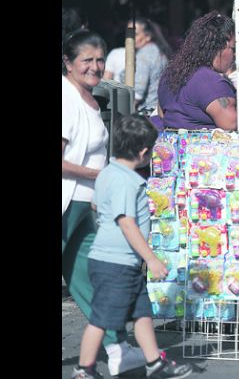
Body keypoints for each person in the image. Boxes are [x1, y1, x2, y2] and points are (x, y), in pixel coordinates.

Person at [72, 115, 194, 379]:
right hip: (114, 264)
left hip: (120, 263)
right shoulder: (128, 181)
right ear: (143, 152)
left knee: (142, 312)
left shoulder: (107, 173)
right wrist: (150, 259)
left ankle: (154, 363)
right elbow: (126, 223)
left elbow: (96, 204)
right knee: (101, 319)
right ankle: (84, 369)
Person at [63, 29, 147, 376]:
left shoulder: (89, 99)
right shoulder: (67, 100)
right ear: (68, 63)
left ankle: (116, 346)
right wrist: (101, 176)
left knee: (92, 279)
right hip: (67, 203)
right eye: (87, 60)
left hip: (83, 204)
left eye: (99, 59)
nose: (95, 67)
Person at [157, 11, 239, 131]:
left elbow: (163, 114)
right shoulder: (208, 80)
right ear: (218, 46)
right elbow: (231, 124)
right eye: (233, 49)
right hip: (202, 147)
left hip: (172, 145)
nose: (236, 55)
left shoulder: (170, 73)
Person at [104, 17, 172, 112]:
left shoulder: (144, 55)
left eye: (134, 34)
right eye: (128, 34)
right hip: (158, 111)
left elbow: (136, 95)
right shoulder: (157, 51)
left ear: (147, 36)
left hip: (146, 113)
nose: (130, 38)